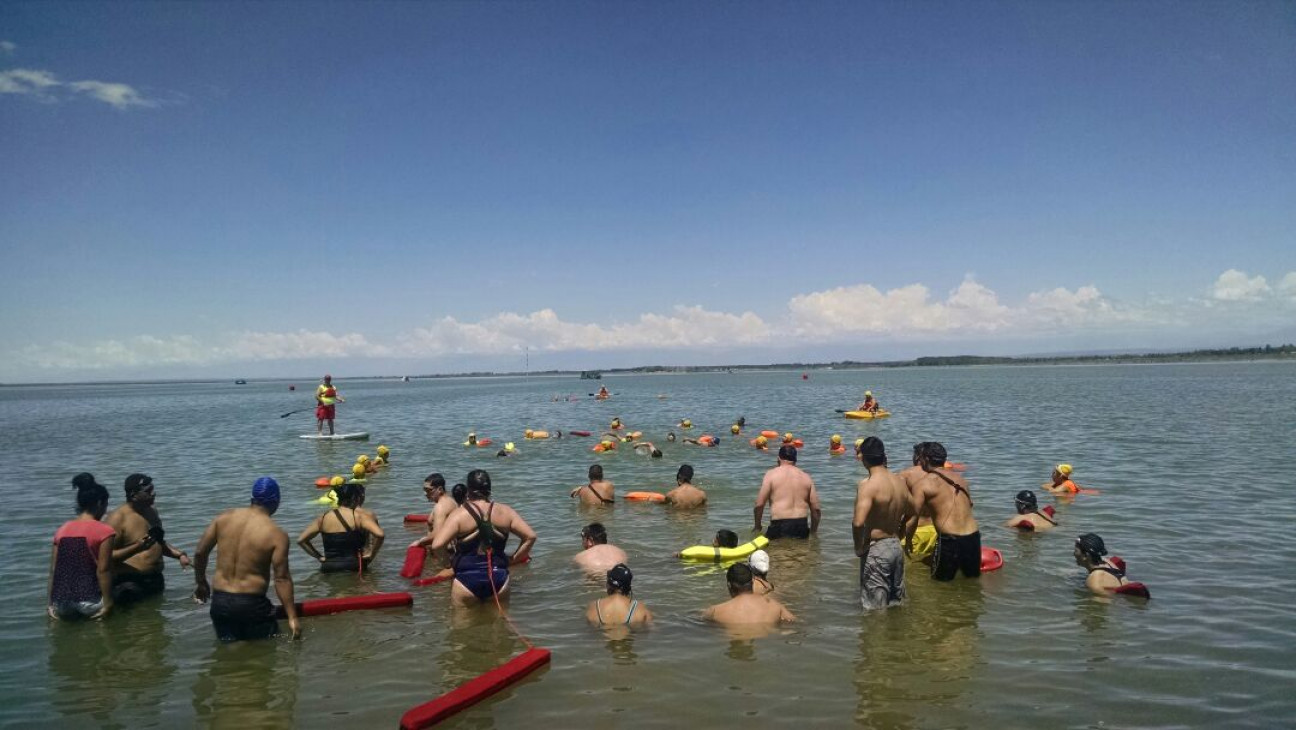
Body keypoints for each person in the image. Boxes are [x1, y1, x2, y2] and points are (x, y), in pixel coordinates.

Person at [193, 477, 300, 640]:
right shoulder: (277, 534)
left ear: (252, 499)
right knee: (262, 656)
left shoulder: (223, 518)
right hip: (252, 604)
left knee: (228, 654)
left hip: (220, 602)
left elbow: (200, 553)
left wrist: (201, 582)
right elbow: (282, 579)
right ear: (276, 502)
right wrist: (292, 617)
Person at [429, 470, 537, 606]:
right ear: (489, 489)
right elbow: (530, 537)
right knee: (499, 625)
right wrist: (512, 560)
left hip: (466, 580)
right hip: (499, 579)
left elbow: (437, 545)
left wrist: (448, 564)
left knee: (462, 626)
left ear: (468, 490)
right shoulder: (506, 511)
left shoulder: (459, 514)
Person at [48, 474, 149, 620]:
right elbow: (103, 570)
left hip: (63, 604)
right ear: (101, 503)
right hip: (89, 603)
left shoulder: (62, 530)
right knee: (130, 592)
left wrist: (51, 605)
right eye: (106, 505)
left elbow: (54, 571)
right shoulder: (103, 530)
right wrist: (108, 604)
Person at [105, 473, 191, 604]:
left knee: (155, 622)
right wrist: (136, 547)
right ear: (134, 495)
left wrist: (179, 555)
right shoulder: (117, 518)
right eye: (148, 491)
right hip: (129, 583)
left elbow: (158, 543)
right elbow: (105, 556)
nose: (153, 494)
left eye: (153, 489)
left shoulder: (152, 511)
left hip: (155, 580)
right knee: (137, 623)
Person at [905, 442, 981, 581]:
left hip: (950, 540)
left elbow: (913, 518)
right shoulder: (961, 480)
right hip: (973, 537)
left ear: (926, 459)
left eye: (921, 458)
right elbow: (970, 505)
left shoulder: (923, 483)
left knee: (941, 586)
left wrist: (908, 541)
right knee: (970, 584)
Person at [851, 438, 911, 610]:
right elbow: (914, 509)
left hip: (877, 549)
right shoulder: (900, 481)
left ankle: (878, 637)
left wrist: (859, 547)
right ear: (884, 456)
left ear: (864, 459)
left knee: (875, 612)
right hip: (895, 547)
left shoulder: (868, 485)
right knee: (896, 604)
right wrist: (900, 531)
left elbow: (858, 523)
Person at [296, 484, 385, 572]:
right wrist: (371, 554)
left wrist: (319, 556)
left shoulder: (323, 517)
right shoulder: (358, 517)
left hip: (328, 567)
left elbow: (301, 540)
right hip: (354, 566)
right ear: (356, 498)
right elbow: (380, 535)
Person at [754, 446, 821, 539]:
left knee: (776, 553)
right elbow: (816, 509)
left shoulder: (771, 474)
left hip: (779, 526)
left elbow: (759, 505)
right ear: (795, 460)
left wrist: (757, 526)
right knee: (801, 553)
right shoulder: (806, 477)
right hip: (801, 526)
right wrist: (813, 532)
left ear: (778, 459)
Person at [703, 563, 796, 626]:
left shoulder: (714, 612)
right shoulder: (776, 607)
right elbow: (794, 624)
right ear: (752, 581)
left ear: (729, 585)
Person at [900, 443, 939, 563]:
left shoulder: (905, 475)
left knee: (910, 572)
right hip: (937, 531)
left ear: (917, 457)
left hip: (915, 532)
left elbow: (896, 506)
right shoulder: (943, 476)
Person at [586, 564, 652, 627]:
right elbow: (651, 630)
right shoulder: (640, 608)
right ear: (628, 586)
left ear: (608, 584)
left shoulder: (594, 607)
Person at [1074, 533, 1140, 595]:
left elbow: (1102, 604)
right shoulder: (1107, 562)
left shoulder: (1095, 580)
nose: (1074, 554)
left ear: (1086, 556)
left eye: (1076, 551)